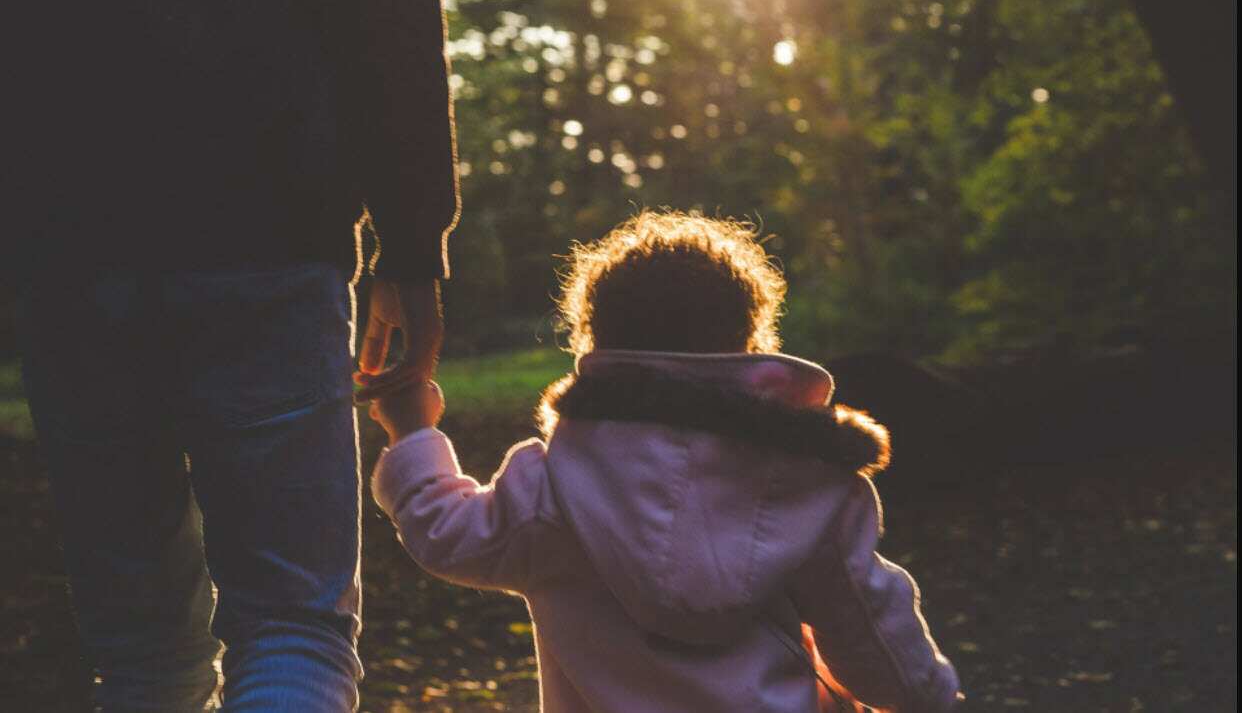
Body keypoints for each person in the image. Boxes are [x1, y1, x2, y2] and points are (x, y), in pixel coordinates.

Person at [9, 0, 459, 710]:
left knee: (141, 652)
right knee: (294, 628)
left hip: (67, 254)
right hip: (269, 233)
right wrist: (413, 242)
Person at [364, 212, 962, 712]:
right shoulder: (808, 483)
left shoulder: (551, 488)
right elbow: (870, 630)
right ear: (749, 342)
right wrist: (927, 698)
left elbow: (448, 533)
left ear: (593, 342)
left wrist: (413, 429)